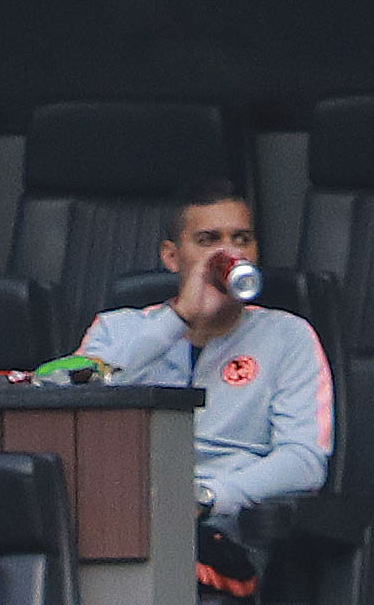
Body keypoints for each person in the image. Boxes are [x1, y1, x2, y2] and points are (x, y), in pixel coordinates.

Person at [73, 180, 335, 518]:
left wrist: (210, 497)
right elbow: (76, 404)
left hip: (224, 518)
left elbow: (304, 462)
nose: (230, 254)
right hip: (123, 506)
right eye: (208, 240)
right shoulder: (115, 329)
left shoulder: (288, 336)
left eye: (241, 239)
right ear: (172, 256)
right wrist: (178, 320)